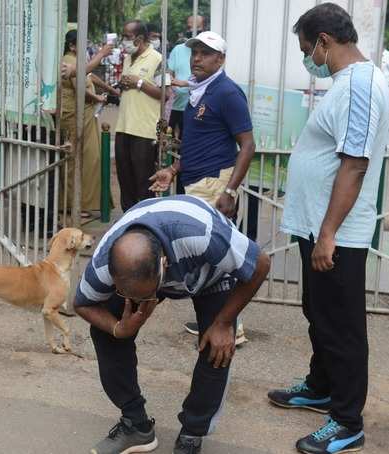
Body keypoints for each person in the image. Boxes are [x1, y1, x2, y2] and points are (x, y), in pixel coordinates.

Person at [269, 4, 389, 454]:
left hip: (336, 233)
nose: (307, 59)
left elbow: (355, 164)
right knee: (318, 313)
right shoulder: (346, 83)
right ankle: (321, 386)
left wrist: (328, 234)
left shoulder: (360, 84)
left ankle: (346, 421)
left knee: (341, 325)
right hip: (319, 226)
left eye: (307, 49)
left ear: (324, 40)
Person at [74, 195, 270, 454]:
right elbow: (82, 303)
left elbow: (261, 264)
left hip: (212, 273)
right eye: (128, 296)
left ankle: (192, 432)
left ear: (164, 266)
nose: (137, 303)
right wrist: (118, 328)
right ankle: (136, 425)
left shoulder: (203, 234)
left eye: (144, 297)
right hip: (152, 271)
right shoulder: (103, 264)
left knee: (217, 346)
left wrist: (223, 323)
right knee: (104, 331)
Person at [149, 31, 256, 346]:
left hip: (213, 183)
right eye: (194, 52)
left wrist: (231, 191)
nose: (197, 58)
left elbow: (248, 146)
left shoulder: (227, 93)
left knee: (213, 254)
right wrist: (172, 169)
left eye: (205, 53)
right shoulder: (199, 91)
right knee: (207, 256)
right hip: (195, 181)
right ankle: (218, 319)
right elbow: (197, 144)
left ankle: (230, 327)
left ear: (220, 59)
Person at [60, 30, 118, 217]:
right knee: (79, 159)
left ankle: (82, 202)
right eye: (82, 43)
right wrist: (98, 98)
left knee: (88, 159)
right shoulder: (69, 60)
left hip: (84, 114)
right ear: (72, 45)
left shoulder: (77, 59)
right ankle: (76, 203)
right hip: (75, 115)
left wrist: (110, 90)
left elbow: (89, 75)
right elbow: (80, 87)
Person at [115, 20, 163, 212]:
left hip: (144, 131)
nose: (123, 41)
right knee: (125, 180)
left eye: (127, 37)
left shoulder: (158, 59)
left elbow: (164, 94)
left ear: (140, 39)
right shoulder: (128, 58)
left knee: (143, 182)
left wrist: (139, 82)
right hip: (123, 127)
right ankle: (128, 220)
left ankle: (143, 224)